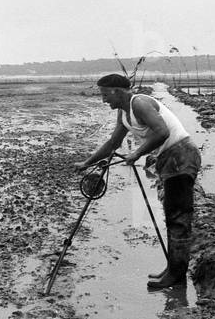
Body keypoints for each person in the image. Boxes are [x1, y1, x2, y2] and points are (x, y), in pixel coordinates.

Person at [76, 73, 201, 289]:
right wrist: (87, 163)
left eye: (105, 95)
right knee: (173, 216)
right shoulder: (124, 113)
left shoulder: (140, 103)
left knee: (178, 218)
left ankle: (176, 275)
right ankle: (173, 270)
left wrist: (137, 153)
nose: (104, 100)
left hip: (181, 156)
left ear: (118, 91)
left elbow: (161, 132)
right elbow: (113, 143)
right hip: (168, 159)